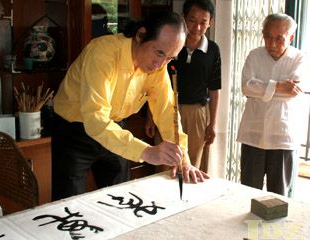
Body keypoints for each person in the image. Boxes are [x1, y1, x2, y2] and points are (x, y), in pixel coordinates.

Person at [51, 10, 208, 201]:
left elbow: (167, 112)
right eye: (159, 53)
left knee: (121, 198)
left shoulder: (158, 67)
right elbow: (95, 121)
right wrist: (147, 152)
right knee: (68, 204)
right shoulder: (103, 53)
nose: (160, 64)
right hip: (75, 130)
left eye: (169, 58)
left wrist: (183, 160)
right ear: (140, 35)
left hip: (114, 127)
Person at [145, 0, 221, 170]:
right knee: (165, 164)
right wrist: (150, 116)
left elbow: (215, 89)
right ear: (183, 18)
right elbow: (154, 82)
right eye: (192, 20)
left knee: (191, 165)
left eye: (203, 22)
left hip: (197, 114)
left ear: (211, 23)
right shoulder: (170, 46)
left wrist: (212, 124)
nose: (197, 28)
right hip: (166, 111)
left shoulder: (213, 50)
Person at [237, 13, 306, 197]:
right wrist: (279, 86)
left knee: (279, 195)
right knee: (248, 192)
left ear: (290, 38)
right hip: (253, 133)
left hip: (282, 135)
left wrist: (264, 89)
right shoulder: (255, 55)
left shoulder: (299, 58)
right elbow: (246, 87)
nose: (272, 43)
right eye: (268, 36)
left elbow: (294, 91)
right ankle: (250, 226)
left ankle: (275, 227)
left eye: (279, 39)